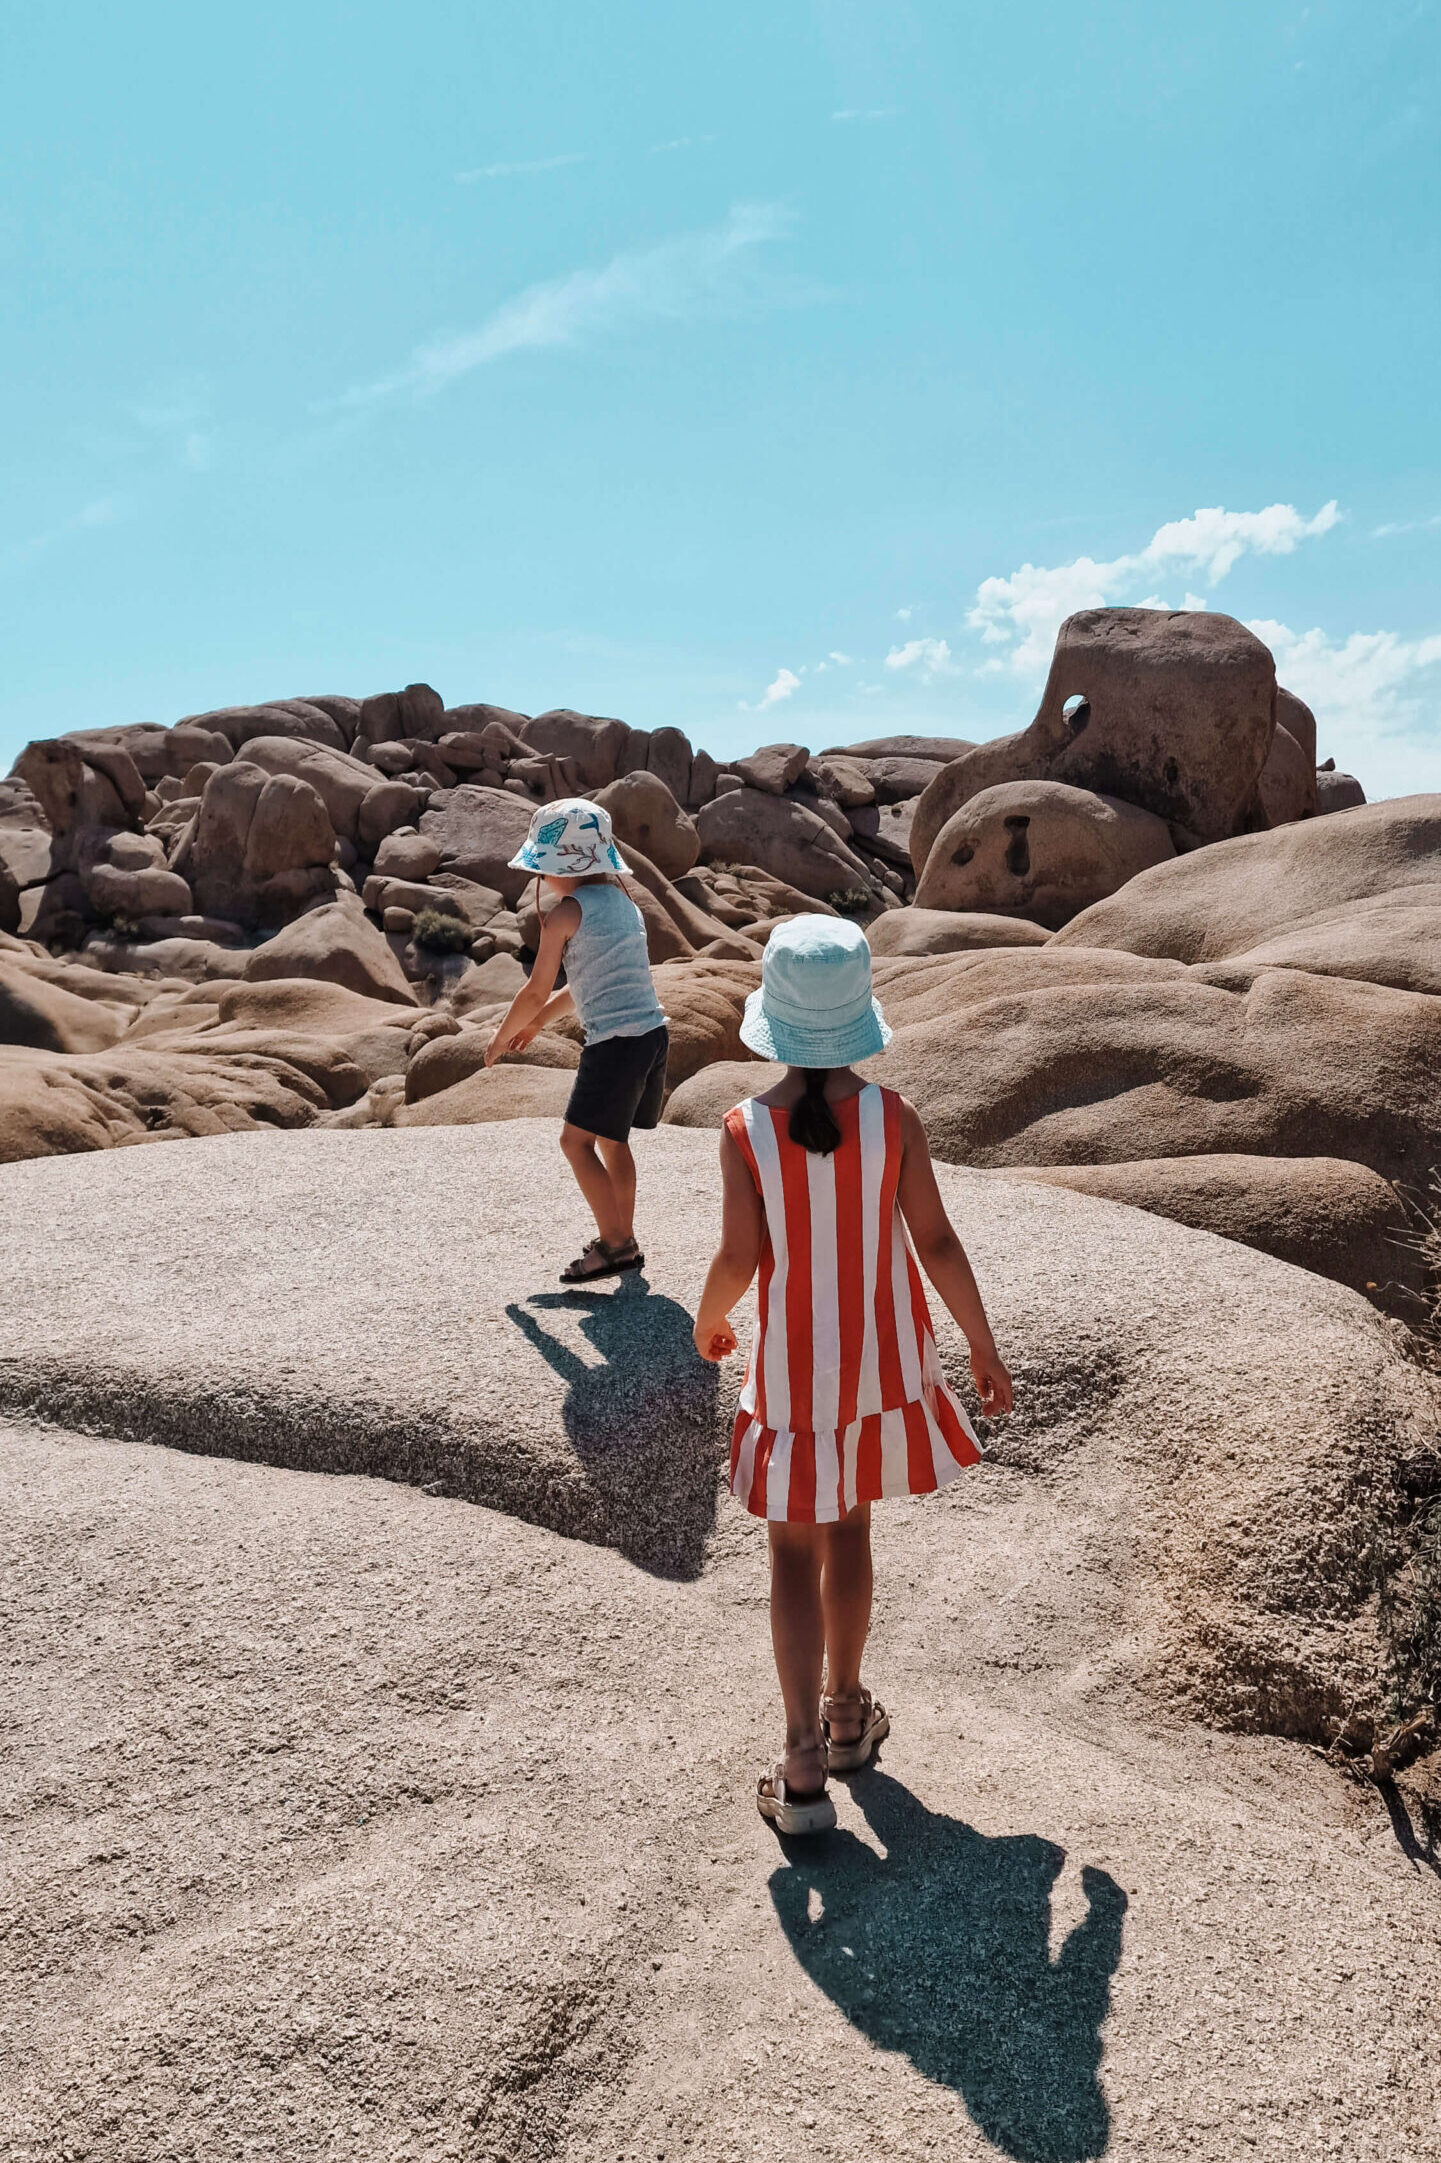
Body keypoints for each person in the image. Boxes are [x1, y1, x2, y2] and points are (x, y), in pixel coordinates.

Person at [693, 914, 1013, 1834]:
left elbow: (738, 1258)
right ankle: (846, 1715)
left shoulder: (745, 1129)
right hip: (880, 1365)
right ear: (857, 1016)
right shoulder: (892, 1116)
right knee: (851, 1528)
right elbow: (938, 1240)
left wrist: (708, 1321)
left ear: (776, 1021)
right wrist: (980, 1345)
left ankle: (799, 1762)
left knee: (790, 1551)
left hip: (793, 1372)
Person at [485, 798, 668, 1283]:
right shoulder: (626, 905)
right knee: (613, 1141)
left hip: (613, 1043)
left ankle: (614, 1246)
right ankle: (622, 1238)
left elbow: (536, 987)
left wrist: (501, 1035)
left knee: (574, 1143)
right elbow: (582, 985)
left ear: (556, 867)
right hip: (651, 1035)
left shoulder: (566, 913)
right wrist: (538, 1023)